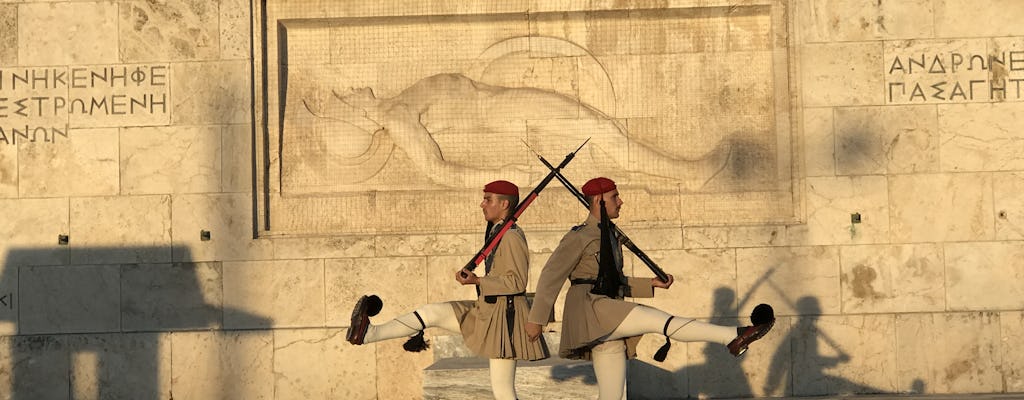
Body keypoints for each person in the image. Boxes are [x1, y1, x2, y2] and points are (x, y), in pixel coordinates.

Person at [524, 177, 774, 400]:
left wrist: (650, 283)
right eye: (614, 197)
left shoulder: (609, 235)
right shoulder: (578, 237)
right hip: (590, 308)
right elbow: (550, 275)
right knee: (656, 319)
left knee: (611, 396)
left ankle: (733, 336)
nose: (620, 202)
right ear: (599, 200)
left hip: (607, 308)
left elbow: (614, 280)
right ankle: (732, 335)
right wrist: (537, 318)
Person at [347, 180, 548, 400]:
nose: (482, 204)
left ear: (504, 204)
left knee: (503, 391)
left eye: (488, 199)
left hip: (504, 319)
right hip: (487, 311)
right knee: (431, 313)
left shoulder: (511, 236)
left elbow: (517, 282)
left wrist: (478, 281)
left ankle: (369, 334)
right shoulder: (498, 231)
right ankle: (368, 333)